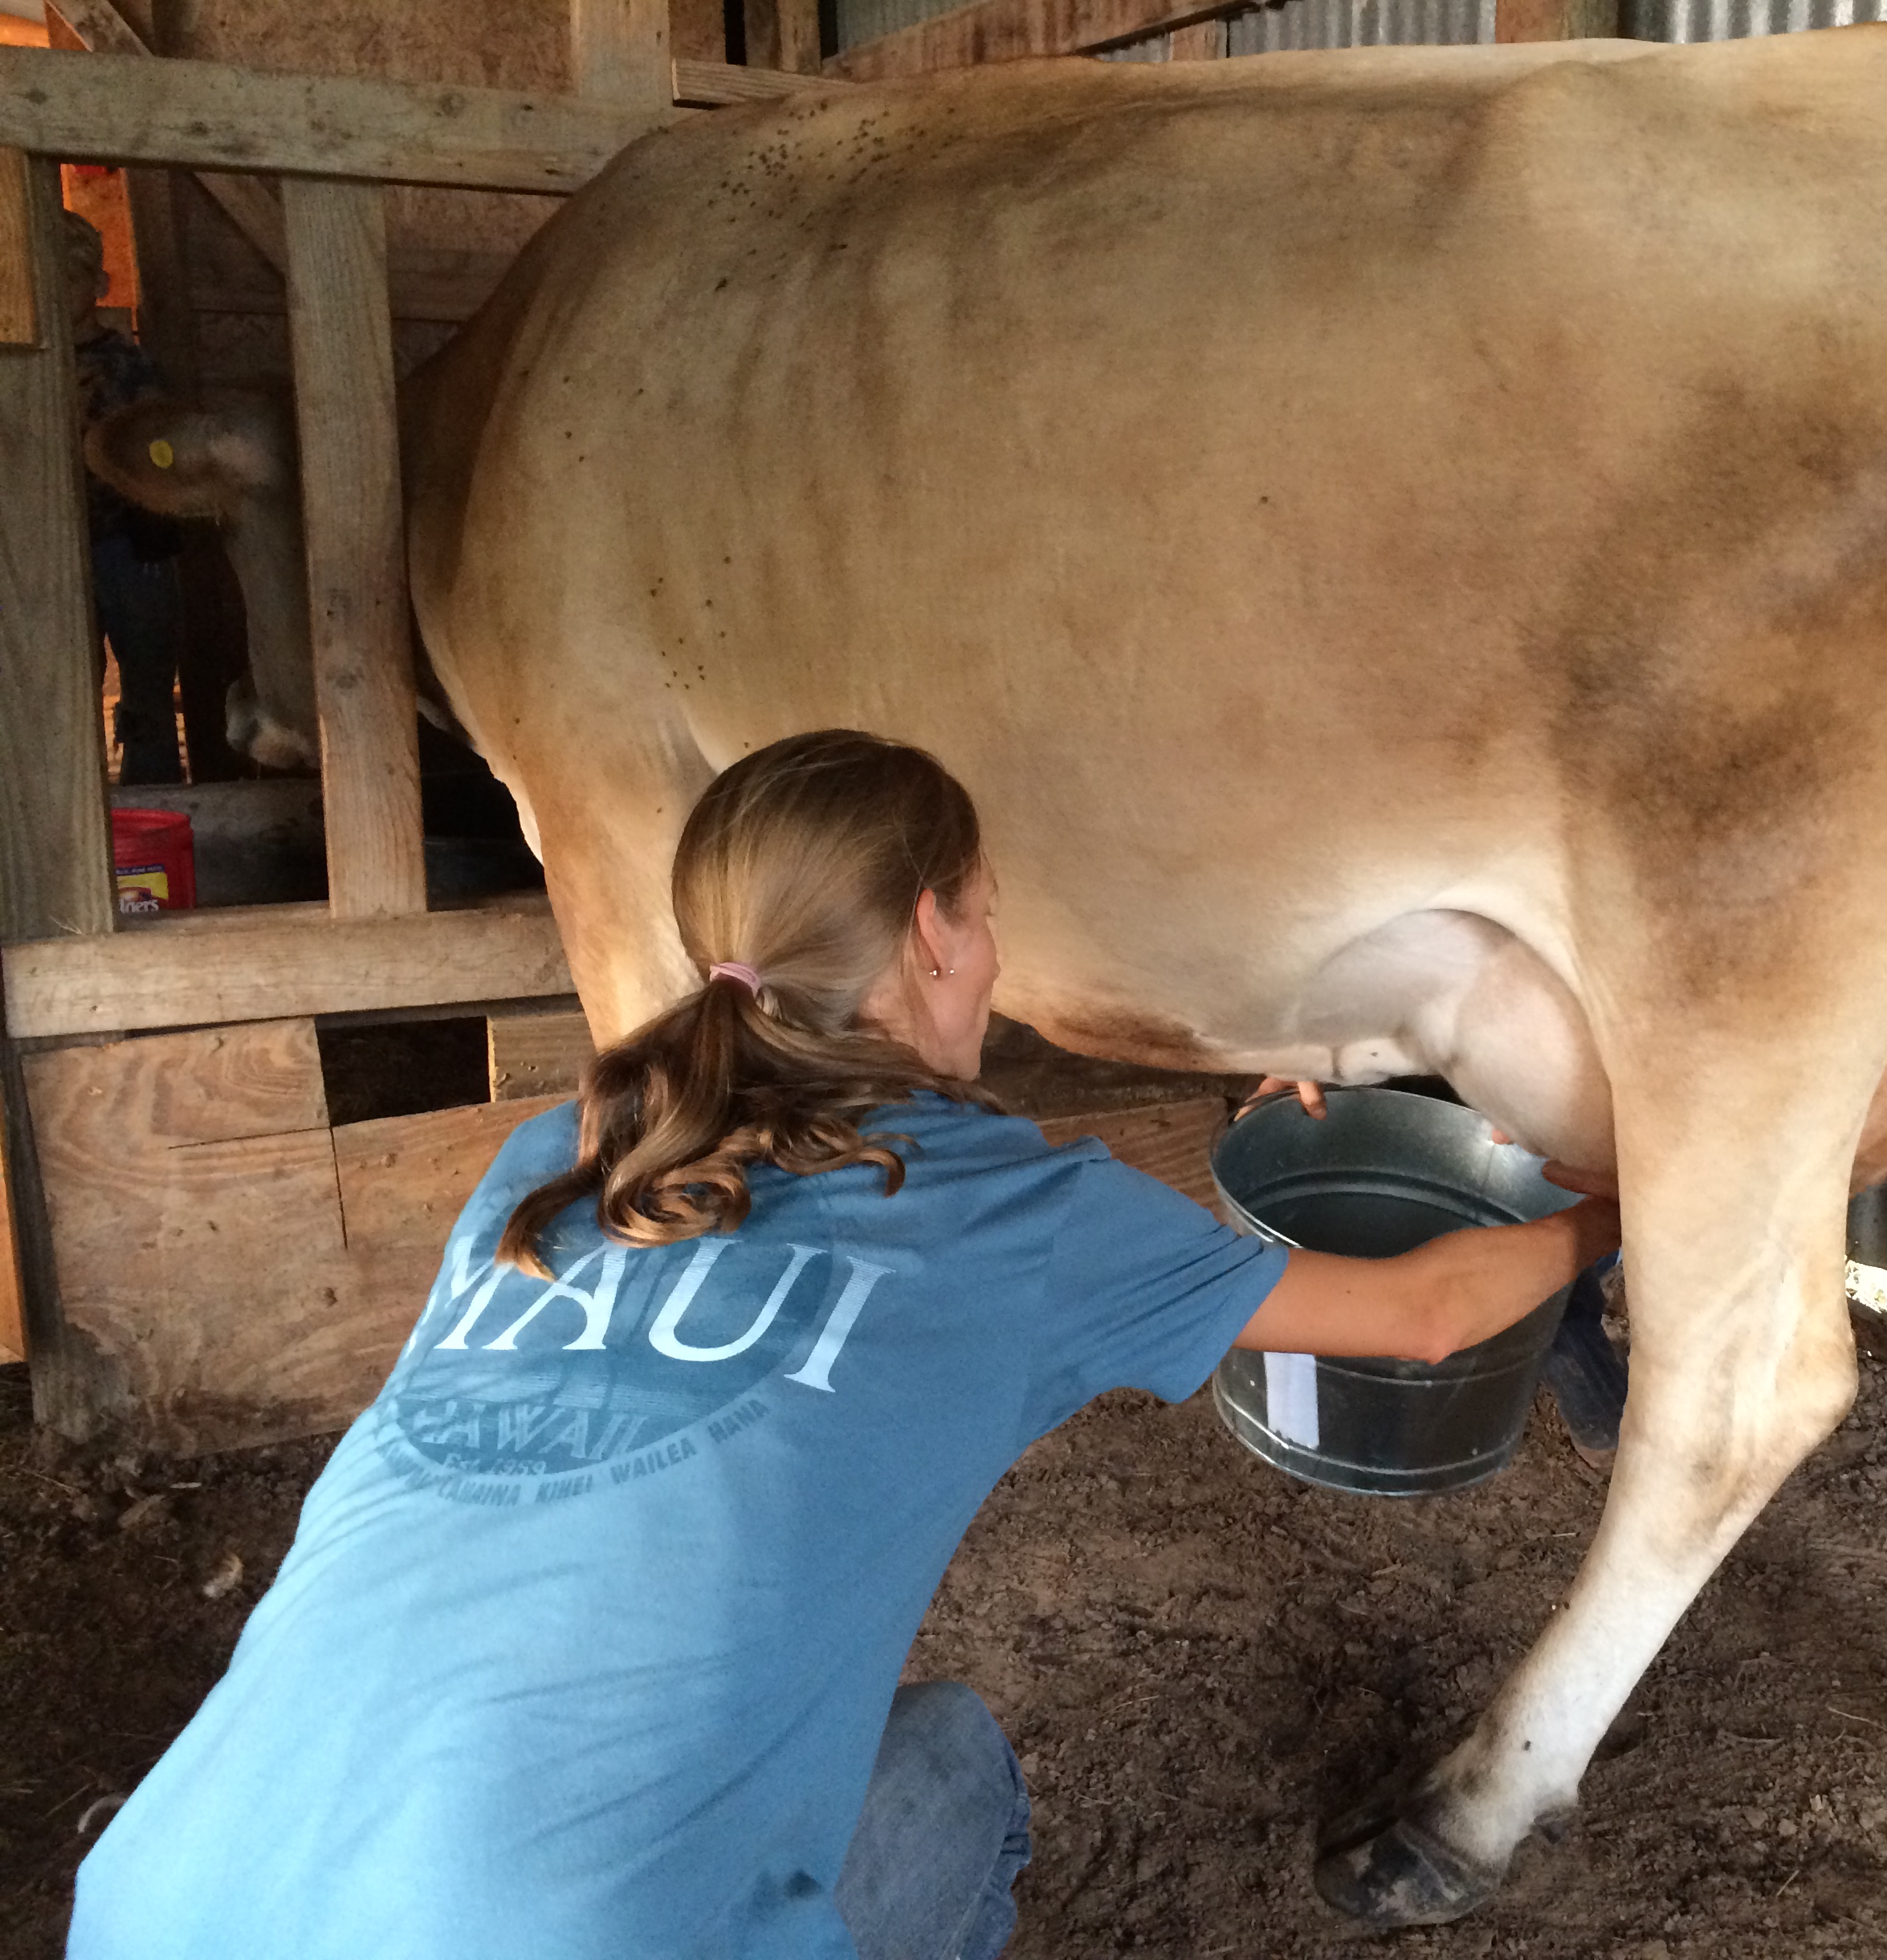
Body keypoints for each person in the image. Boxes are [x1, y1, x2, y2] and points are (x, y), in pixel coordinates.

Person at [69, 730, 1617, 1960]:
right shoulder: (1013, 1206)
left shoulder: (559, 1156)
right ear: (932, 928)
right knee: (953, 1767)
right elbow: (1424, 1314)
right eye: (986, 913)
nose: (991, 954)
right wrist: (1623, 1204)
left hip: (157, 1900)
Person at [63, 209, 188, 786]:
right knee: (60, 682)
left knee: (147, 673)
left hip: (126, 544)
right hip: (46, 549)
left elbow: (162, 444)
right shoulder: (24, 366)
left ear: (98, 283)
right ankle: (71, 797)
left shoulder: (129, 365)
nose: (60, 291)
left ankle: (153, 791)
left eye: (72, 277)